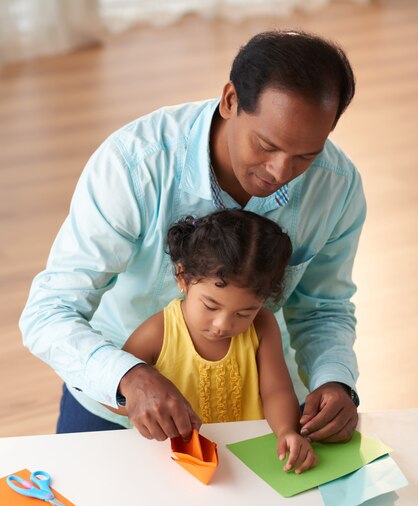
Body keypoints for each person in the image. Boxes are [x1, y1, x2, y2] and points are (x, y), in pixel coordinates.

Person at [19, 29, 366, 443]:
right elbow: (49, 310)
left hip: (254, 411)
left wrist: (335, 381)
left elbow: (323, 308)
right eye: (266, 145)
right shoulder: (134, 165)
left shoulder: (337, 187)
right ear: (231, 100)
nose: (280, 172)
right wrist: (129, 375)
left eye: (306, 156)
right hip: (116, 400)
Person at [106, 209, 316, 473]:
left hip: (247, 457)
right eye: (210, 306)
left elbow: (277, 391)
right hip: (171, 461)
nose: (223, 325)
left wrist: (287, 431)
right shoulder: (158, 332)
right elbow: (114, 390)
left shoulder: (262, 326)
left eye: (244, 313)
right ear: (183, 278)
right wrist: (137, 403)